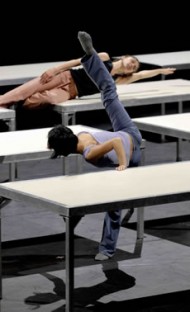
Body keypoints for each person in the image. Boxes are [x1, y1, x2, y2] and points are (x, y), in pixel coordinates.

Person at [47, 31, 143, 261]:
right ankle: (91, 58)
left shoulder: (89, 154)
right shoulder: (81, 134)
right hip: (127, 132)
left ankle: (107, 250)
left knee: (114, 206)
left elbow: (116, 141)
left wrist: (122, 165)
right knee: (109, 94)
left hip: (130, 145)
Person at [0, 49, 175, 109]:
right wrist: (55, 69)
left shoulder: (116, 80)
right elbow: (77, 61)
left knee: (49, 98)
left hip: (70, 91)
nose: (132, 65)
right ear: (124, 57)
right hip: (65, 76)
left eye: (134, 67)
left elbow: (142, 75)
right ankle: (5, 101)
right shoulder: (105, 57)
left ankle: (17, 105)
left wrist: (160, 71)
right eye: (132, 61)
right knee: (25, 89)